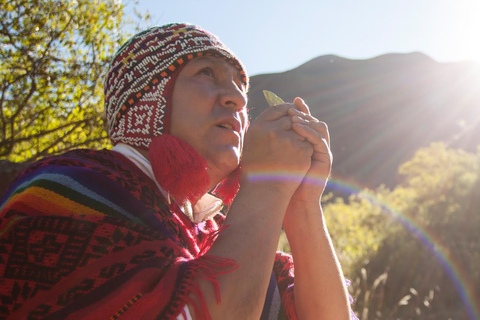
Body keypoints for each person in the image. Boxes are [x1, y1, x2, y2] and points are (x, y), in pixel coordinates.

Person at [0, 23, 355, 319]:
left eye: (240, 85)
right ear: (149, 100)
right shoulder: (69, 188)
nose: (239, 98)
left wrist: (301, 204)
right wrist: (267, 190)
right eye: (206, 72)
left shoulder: (212, 233)